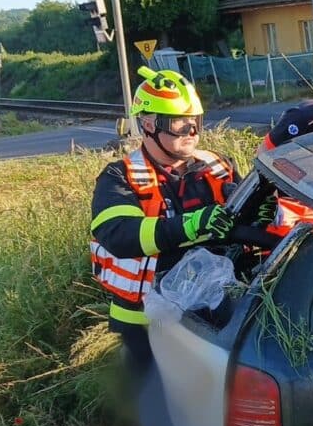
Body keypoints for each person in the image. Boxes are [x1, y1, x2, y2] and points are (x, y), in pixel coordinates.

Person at [89, 66, 240, 382]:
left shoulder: (218, 165)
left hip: (213, 310)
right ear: (148, 124)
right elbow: (119, 235)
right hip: (144, 320)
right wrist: (190, 226)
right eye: (180, 123)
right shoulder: (119, 177)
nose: (192, 131)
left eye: (195, 121)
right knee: (155, 410)